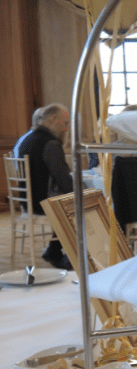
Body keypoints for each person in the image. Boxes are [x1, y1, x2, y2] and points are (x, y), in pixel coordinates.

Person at [11, 104, 73, 269]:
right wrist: (80, 193)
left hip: (28, 201)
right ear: (53, 120)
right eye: (65, 123)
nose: (66, 128)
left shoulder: (28, 139)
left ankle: (54, 250)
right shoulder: (50, 143)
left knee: (73, 202)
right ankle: (66, 253)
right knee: (81, 205)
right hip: (42, 202)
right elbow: (63, 179)